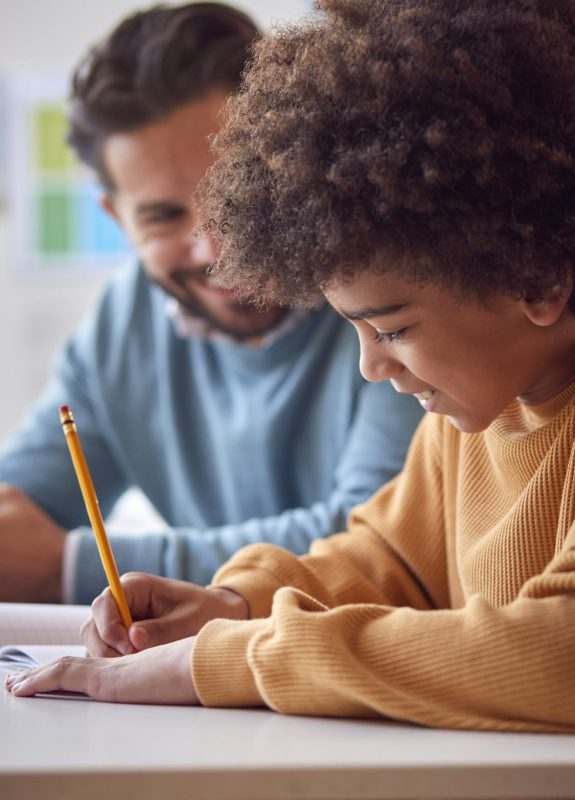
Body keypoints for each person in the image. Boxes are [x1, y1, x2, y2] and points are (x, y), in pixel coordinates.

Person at [8, 0, 574, 734]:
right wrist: (235, 603)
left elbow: (555, 650)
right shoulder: (475, 416)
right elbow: (388, 558)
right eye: (357, 330)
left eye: (391, 328)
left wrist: (227, 661)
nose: (371, 365)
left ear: (536, 280)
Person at [0, 2, 423, 605]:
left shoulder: (389, 288)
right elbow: (16, 511)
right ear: (118, 220)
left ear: (293, 155)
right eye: (164, 216)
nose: (216, 248)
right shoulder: (122, 324)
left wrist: (77, 568)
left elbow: (386, 544)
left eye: (234, 193)